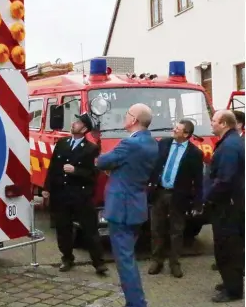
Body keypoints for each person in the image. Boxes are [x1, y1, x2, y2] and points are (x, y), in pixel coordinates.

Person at [97, 103, 158, 307]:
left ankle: (136, 303)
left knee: (125, 261)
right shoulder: (151, 142)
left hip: (121, 208)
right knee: (127, 256)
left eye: (127, 113)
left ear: (134, 120)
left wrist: (106, 165)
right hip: (136, 205)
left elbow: (103, 161)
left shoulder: (130, 144)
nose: (125, 117)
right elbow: (128, 167)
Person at [42, 112, 108, 275]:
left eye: (78, 123)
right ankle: (67, 258)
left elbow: (94, 174)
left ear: (85, 128)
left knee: (90, 229)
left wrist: (76, 170)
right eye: (74, 121)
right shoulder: (62, 143)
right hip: (61, 194)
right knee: (63, 228)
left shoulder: (91, 149)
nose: (73, 124)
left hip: (81, 195)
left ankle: (98, 263)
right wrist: (47, 188)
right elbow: (53, 168)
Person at [148, 119, 204, 278]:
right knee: (156, 228)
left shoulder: (195, 153)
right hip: (159, 192)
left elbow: (198, 180)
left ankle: (174, 263)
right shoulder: (163, 144)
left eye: (178, 129)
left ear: (186, 134)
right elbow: (154, 165)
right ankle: (157, 260)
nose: (174, 130)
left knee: (176, 231)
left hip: (178, 196)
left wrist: (198, 203)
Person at [206, 109, 245, 303]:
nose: (211, 123)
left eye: (214, 120)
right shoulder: (230, 141)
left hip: (227, 207)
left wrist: (207, 196)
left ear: (223, 124)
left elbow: (224, 180)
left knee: (228, 248)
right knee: (229, 247)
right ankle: (230, 282)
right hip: (230, 204)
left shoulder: (229, 146)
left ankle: (233, 290)